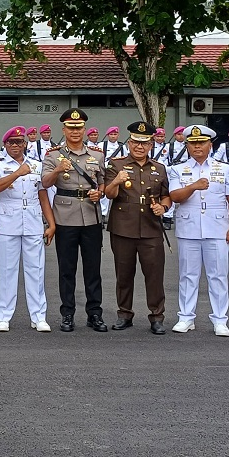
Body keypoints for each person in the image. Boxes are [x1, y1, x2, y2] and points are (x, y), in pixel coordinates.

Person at [166, 125, 229, 336]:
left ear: (210, 145)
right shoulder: (177, 169)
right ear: (187, 146)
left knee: (218, 275)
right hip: (188, 228)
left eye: (202, 142)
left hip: (217, 228)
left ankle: (220, 320)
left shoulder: (225, 169)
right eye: (193, 143)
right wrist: (193, 186)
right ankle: (186, 317)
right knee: (188, 275)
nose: (197, 146)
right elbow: (175, 196)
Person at [41, 108, 108, 332]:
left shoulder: (97, 155)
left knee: (93, 269)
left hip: (91, 216)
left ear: (84, 129)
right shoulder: (53, 155)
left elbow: (102, 182)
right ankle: (67, 313)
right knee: (67, 269)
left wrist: (100, 192)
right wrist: (58, 169)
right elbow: (45, 183)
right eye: (71, 127)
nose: (75, 131)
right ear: (64, 130)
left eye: (79, 127)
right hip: (65, 216)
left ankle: (94, 313)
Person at [103, 121, 172, 333]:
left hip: (151, 229)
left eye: (144, 143)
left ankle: (157, 317)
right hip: (123, 228)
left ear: (151, 145)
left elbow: (166, 196)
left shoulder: (159, 168)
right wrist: (116, 181)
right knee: (124, 275)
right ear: (129, 143)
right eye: (135, 142)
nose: (139, 147)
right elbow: (109, 194)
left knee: (154, 275)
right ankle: (124, 314)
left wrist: (163, 207)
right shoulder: (116, 165)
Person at [0, 126, 54, 332]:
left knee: (36, 270)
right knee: (7, 270)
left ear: (25, 144)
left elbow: (43, 195)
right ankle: (3, 316)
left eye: (19, 142)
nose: (16, 146)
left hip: (33, 220)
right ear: (5, 145)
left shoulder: (36, 165)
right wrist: (17, 173)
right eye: (11, 142)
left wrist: (51, 223)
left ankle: (39, 316)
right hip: (8, 221)